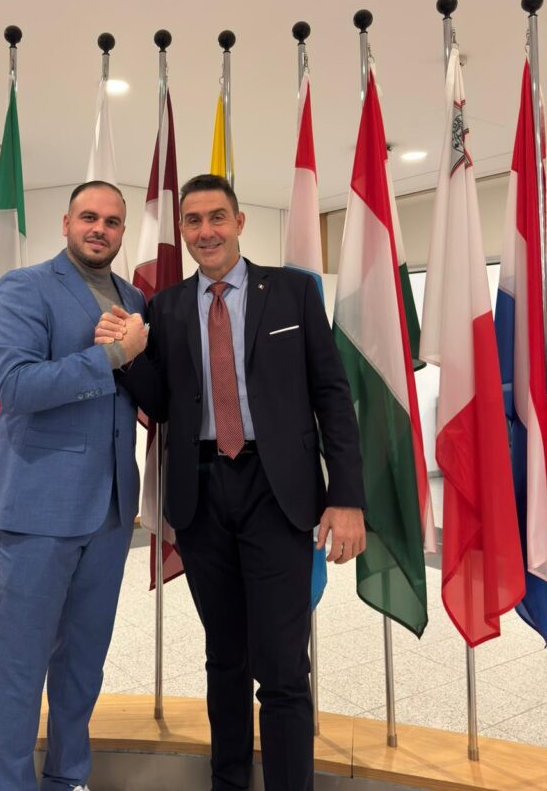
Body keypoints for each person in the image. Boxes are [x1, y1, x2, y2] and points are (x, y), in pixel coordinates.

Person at [96, 174, 366, 791]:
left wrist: (346, 496)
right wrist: (128, 356)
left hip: (279, 493)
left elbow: (332, 395)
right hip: (201, 493)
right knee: (224, 658)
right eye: (193, 221)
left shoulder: (294, 292)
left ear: (240, 222)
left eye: (217, 217)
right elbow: (161, 405)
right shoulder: (165, 306)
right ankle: (229, 781)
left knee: (282, 667)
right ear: (183, 230)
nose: (206, 231)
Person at [0, 181, 148, 791]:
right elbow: (17, 387)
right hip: (38, 506)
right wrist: (111, 357)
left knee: (82, 664)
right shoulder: (24, 287)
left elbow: (139, 389)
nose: (99, 228)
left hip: (110, 509)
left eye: (112, 221)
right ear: (66, 222)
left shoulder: (134, 299)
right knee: (20, 667)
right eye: (88, 217)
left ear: (123, 231)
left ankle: (68, 778)